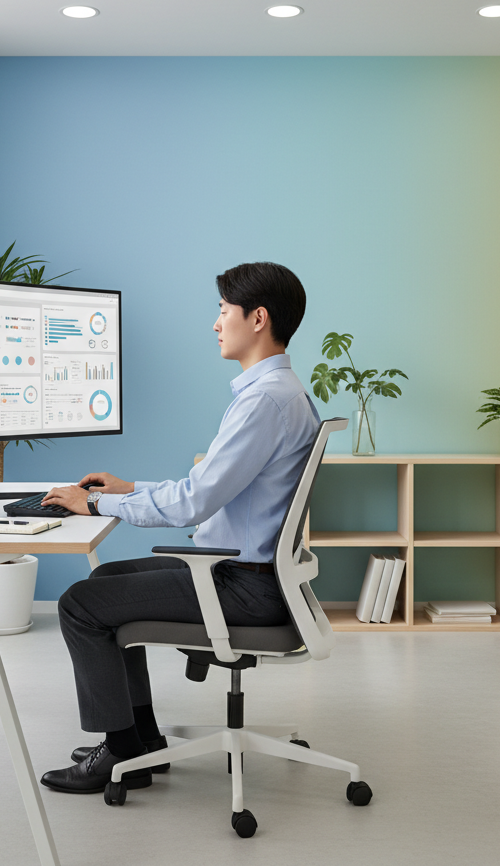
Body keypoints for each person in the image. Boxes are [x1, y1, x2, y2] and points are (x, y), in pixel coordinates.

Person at [38, 261, 320, 794]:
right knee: (103, 586)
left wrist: (95, 507)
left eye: (222, 311)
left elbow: (193, 503)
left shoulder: (263, 402)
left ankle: (119, 751)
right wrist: (125, 492)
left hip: (243, 584)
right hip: (248, 573)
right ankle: (142, 742)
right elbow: (206, 486)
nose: (216, 324)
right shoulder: (281, 394)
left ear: (257, 318)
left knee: (79, 604)